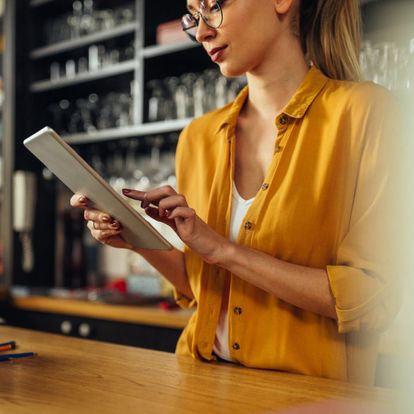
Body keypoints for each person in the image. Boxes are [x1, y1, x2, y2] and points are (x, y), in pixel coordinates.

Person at [71, 0, 407, 385]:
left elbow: (373, 297)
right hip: (199, 382)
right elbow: (202, 286)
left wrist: (225, 252)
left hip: (310, 396)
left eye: (214, 6)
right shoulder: (197, 138)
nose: (201, 32)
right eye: (193, 16)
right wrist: (132, 237)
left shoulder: (365, 114)